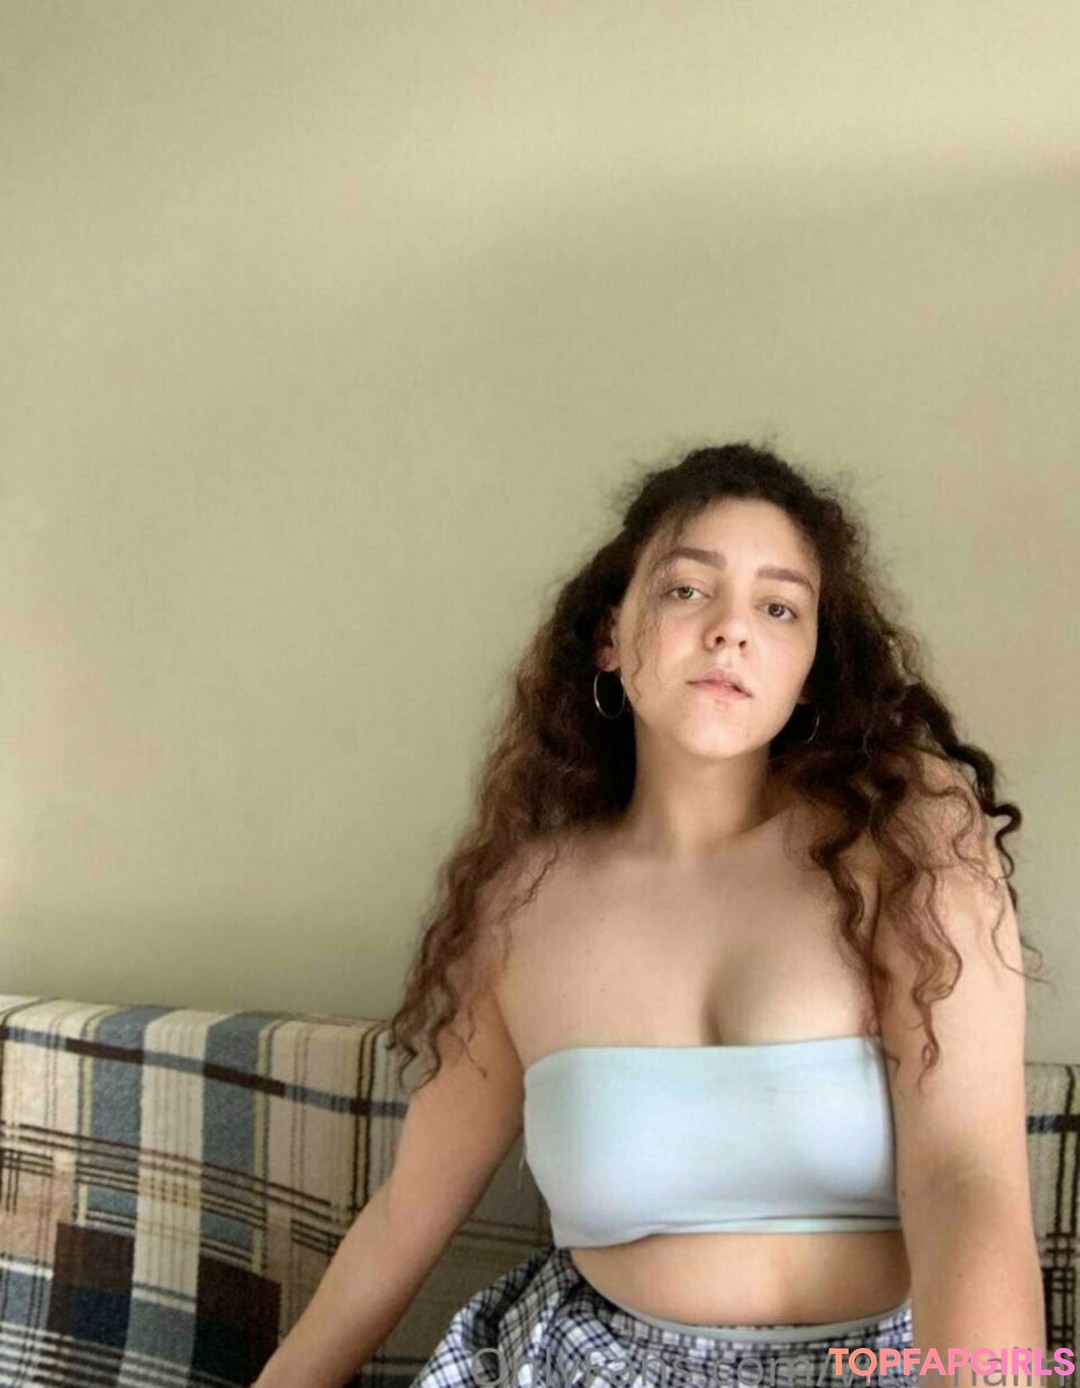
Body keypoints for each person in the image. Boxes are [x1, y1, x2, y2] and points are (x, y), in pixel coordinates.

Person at [253, 442, 1049, 1388]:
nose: (731, 630)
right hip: (581, 1364)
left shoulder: (907, 836)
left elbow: (969, 1183)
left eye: (779, 608)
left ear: (810, 668)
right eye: (686, 590)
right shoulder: (521, 902)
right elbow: (404, 1217)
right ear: (608, 635)